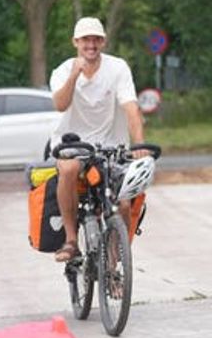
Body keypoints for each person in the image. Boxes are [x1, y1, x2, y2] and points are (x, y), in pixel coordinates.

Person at [49, 17, 144, 262]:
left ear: (103, 41)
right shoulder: (62, 70)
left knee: (122, 204)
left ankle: (114, 259)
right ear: (75, 42)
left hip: (109, 145)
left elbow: (131, 108)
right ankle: (71, 241)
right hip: (72, 144)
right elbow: (60, 105)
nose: (91, 44)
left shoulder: (118, 68)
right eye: (85, 39)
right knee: (68, 169)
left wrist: (140, 145)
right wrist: (74, 75)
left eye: (96, 39)